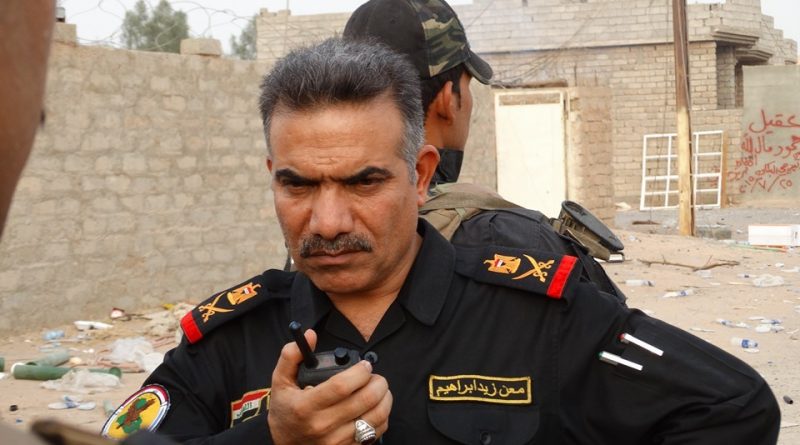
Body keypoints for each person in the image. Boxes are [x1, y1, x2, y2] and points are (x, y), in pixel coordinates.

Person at [105, 37, 780, 444]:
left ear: (422, 174)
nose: (328, 220)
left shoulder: (538, 316)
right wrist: (271, 437)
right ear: (272, 176)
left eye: (364, 182)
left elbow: (733, 408)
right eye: (299, 185)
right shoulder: (229, 339)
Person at [342, 0, 625, 300]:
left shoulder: (322, 237)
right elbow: (614, 324)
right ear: (448, 101)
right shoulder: (521, 242)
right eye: (467, 86)